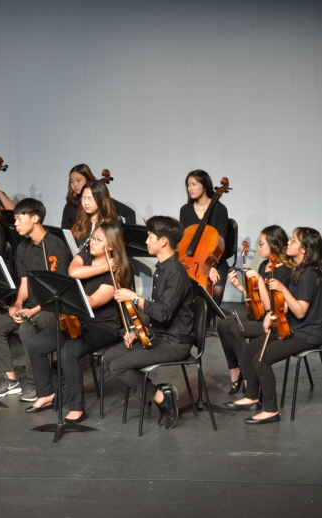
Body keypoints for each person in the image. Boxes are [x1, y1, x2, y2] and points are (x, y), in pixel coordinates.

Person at [25, 222, 126, 420]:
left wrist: (68, 294)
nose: (92, 242)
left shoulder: (117, 272)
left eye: (98, 240)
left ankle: (77, 408)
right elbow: (73, 272)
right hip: (77, 321)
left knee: (68, 352)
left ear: (111, 246)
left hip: (103, 326)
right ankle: (46, 394)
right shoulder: (87, 255)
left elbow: (92, 302)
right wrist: (105, 266)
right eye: (92, 238)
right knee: (36, 345)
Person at [105, 215, 194, 430]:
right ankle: (160, 393)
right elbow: (155, 313)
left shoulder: (176, 272)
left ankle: (162, 398)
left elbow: (163, 313)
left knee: (118, 366)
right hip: (158, 336)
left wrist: (134, 297)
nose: (146, 241)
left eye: (150, 237)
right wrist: (138, 330)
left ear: (163, 241)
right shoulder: (161, 268)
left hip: (174, 342)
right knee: (109, 357)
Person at [226, 227, 322, 425]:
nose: (288, 243)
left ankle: (271, 411)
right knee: (252, 349)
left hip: (308, 333)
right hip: (293, 327)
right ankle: (252, 398)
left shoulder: (309, 275)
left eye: (293, 241)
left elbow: (300, 311)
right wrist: (273, 314)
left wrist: (283, 289)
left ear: (304, 249)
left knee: (262, 358)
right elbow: (290, 304)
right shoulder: (299, 271)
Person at [0, 198, 71, 402]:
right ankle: (10, 380)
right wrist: (18, 304)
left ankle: (36, 384)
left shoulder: (56, 247)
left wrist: (32, 312)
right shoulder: (23, 247)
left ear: (35, 218)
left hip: (53, 308)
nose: (15, 224)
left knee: (27, 327)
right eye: (14, 219)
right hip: (30, 307)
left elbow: (58, 290)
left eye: (19, 219)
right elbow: (24, 283)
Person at [217, 225, 293, 394]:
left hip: (273, 319)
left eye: (261, 243)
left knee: (236, 329)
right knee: (223, 324)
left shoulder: (283, 271)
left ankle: (247, 377)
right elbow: (256, 299)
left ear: (273, 244)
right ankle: (234, 369)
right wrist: (239, 286)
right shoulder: (264, 265)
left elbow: (270, 306)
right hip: (259, 314)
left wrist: (258, 280)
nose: (258, 247)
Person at [179, 169, 229, 333]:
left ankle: (204, 322)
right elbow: (183, 240)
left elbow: (221, 242)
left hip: (215, 259)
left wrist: (212, 266)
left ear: (205, 186)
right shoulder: (185, 210)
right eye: (188, 185)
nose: (190, 188)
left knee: (216, 287)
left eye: (194, 184)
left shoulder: (220, 210)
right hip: (189, 259)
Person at [61, 164, 135, 230]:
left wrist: (127, 235)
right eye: (71, 181)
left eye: (78, 180)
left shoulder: (102, 200)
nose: (75, 185)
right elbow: (65, 231)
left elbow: (129, 213)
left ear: (88, 180)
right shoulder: (70, 205)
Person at [71, 180, 123, 251]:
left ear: (101, 200)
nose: (85, 202)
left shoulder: (112, 226)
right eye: (83, 198)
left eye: (90, 198)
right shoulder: (80, 224)